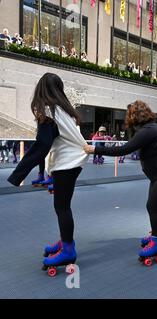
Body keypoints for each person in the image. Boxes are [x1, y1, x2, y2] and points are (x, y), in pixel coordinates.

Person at [7, 73, 89, 276]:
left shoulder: (49, 110)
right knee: (62, 206)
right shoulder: (62, 109)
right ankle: (65, 240)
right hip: (73, 160)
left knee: (62, 207)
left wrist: (17, 175)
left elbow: (42, 145)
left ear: (41, 89)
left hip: (68, 162)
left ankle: (68, 249)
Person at [84, 100, 157, 265]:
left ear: (134, 116)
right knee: (153, 205)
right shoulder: (149, 128)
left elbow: (124, 149)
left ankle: (156, 241)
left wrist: (95, 149)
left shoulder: (148, 131)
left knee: (152, 205)